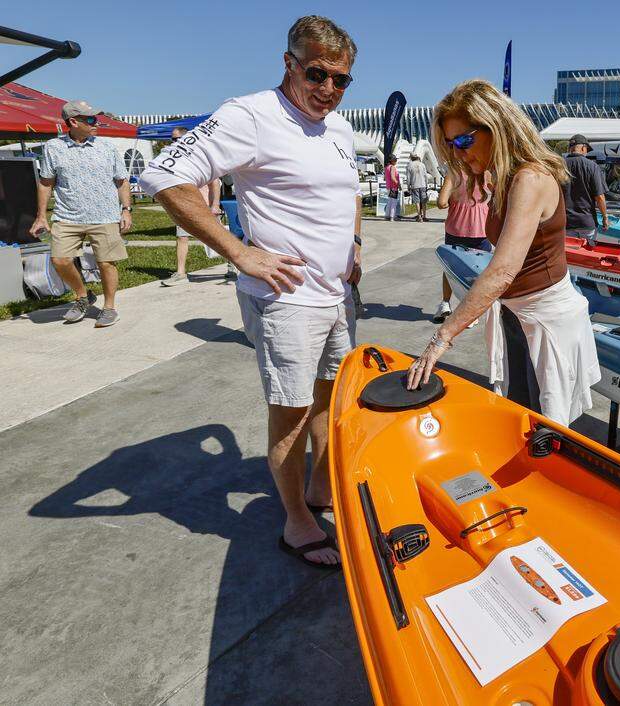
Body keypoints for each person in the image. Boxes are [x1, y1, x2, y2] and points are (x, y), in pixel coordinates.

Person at [139, 15, 362, 569]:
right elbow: (166, 176)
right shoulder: (252, 115)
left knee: (331, 398)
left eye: (342, 81)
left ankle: (319, 488)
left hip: (336, 294)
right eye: (318, 74)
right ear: (288, 63)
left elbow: (350, 190)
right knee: (290, 409)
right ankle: (296, 522)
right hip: (285, 298)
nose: (329, 90)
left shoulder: (339, 128)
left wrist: (354, 245)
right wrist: (238, 252)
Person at [407, 79, 600, 427]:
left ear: (496, 125)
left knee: (546, 431)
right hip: (517, 316)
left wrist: (442, 337)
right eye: (452, 145)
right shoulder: (500, 177)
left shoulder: (530, 178)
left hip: (545, 322)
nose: (460, 152)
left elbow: (502, 271)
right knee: (521, 419)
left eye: (465, 140)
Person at [30, 100, 132, 328]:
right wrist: (41, 216)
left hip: (105, 216)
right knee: (60, 260)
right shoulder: (53, 148)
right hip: (67, 217)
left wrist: (126, 209)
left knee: (106, 263)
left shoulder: (107, 147)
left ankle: (109, 307)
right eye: (91, 119)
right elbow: (46, 184)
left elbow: (122, 181)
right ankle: (82, 296)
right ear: (73, 122)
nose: (97, 123)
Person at [160, 126, 222, 286]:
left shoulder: (201, 157)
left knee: (218, 238)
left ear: (185, 139)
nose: (172, 142)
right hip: (185, 206)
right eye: (172, 139)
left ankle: (233, 266)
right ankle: (180, 272)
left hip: (205, 206)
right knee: (182, 237)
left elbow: (215, 183)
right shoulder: (174, 160)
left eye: (175, 139)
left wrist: (215, 205)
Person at [434, 167, 490, 323]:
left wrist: (454, 201)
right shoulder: (486, 173)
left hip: (456, 229)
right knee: (478, 272)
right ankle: (471, 311)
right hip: (481, 228)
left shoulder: (453, 174)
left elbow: (441, 202)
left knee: (450, 268)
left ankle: (445, 303)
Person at [563, 133, 607, 246]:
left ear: (570, 148)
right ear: (583, 148)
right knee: (588, 256)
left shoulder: (559, 166)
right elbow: (600, 197)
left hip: (565, 222)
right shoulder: (592, 166)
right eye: (587, 149)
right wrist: (605, 218)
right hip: (586, 222)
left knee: (569, 257)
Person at [406, 153, 429, 222]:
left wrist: (408, 186)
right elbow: (425, 176)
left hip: (414, 185)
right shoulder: (422, 164)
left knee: (417, 202)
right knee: (424, 202)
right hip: (423, 185)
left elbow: (408, 178)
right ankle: (424, 216)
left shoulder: (409, 165)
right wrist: (426, 184)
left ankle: (419, 216)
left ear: (411, 158)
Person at [383, 154, 401, 221]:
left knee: (389, 202)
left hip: (388, 187)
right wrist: (398, 184)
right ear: (393, 161)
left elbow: (385, 178)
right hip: (393, 187)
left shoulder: (386, 167)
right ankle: (392, 216)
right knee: (394, 202)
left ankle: (387, 215)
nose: (396, 162)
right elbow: (393, 178)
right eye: (395, 160)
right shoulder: (392, 167)